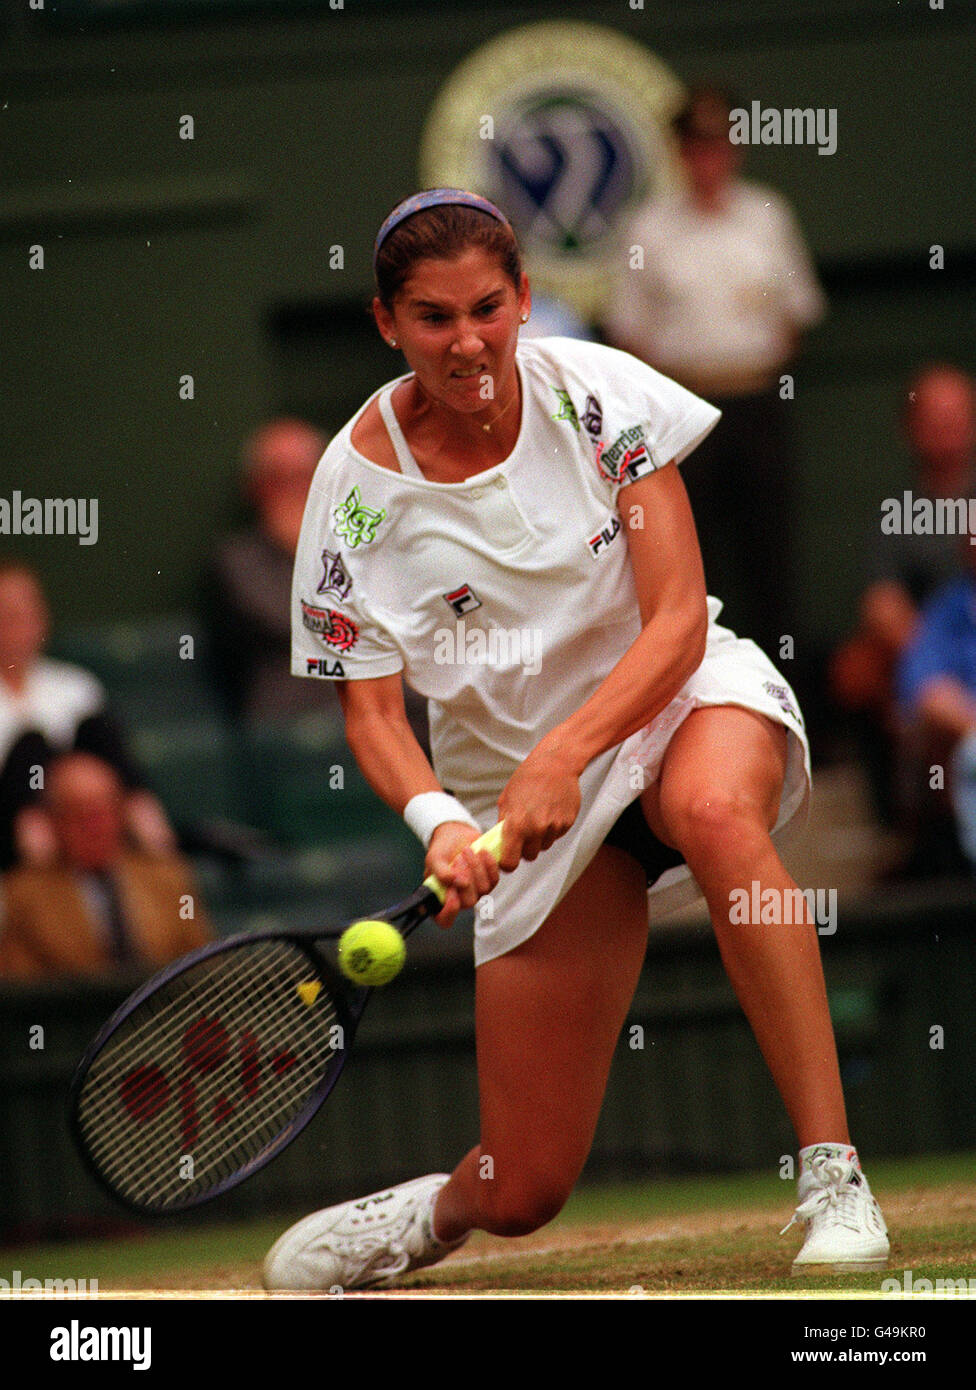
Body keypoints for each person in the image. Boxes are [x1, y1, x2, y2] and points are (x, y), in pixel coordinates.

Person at [263, 188, 887, 1291]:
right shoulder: (351, 497)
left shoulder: (598, 396)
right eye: (434, 317)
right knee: (524, 1187)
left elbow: (677, 617)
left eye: (486, 309)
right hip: (514, 797)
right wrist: (440, 821)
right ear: (387, 324)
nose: (467, 341)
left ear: (523, 299)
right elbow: (373, 714)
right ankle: (430, 1211)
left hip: (678, 699)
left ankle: (833, 1175)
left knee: (713, 812)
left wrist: (569, 748)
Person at [602, 84, 826, 659]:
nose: (708, 159)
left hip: (757, 403)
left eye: (719, 144)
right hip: (683, 412)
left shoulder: (768, 216)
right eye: (696, 146)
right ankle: (695, 689)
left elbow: (797, 312)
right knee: (688, 562)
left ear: (736, 149)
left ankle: (786, 692)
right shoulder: (648, 229)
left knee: (770, 560)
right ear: (679, 152)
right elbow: (627, 330)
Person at [831, 365, 976, 843]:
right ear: (910, 429)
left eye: (957, 416)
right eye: (935, 418)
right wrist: (932, 659)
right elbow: (882, 604)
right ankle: (909, 832)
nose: (947, 428)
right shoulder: (897, 515)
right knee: (855, 670)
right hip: (932, 658)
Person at [0, 561, 175, 871]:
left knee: (96, 729)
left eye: (28, 611)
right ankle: (39, 861)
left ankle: (150, 831)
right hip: (14, 841)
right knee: (29, 745)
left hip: (90, 824)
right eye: (8, 614)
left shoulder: (76, 685)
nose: (20, 624)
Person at [0, 752, 211, 979]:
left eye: (102, 812)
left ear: (121, 812)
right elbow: (21, 986)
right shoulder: (23, 895)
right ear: (53, 821)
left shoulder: (169, 878)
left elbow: (203, 963)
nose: (94, 827)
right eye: (79, 815)